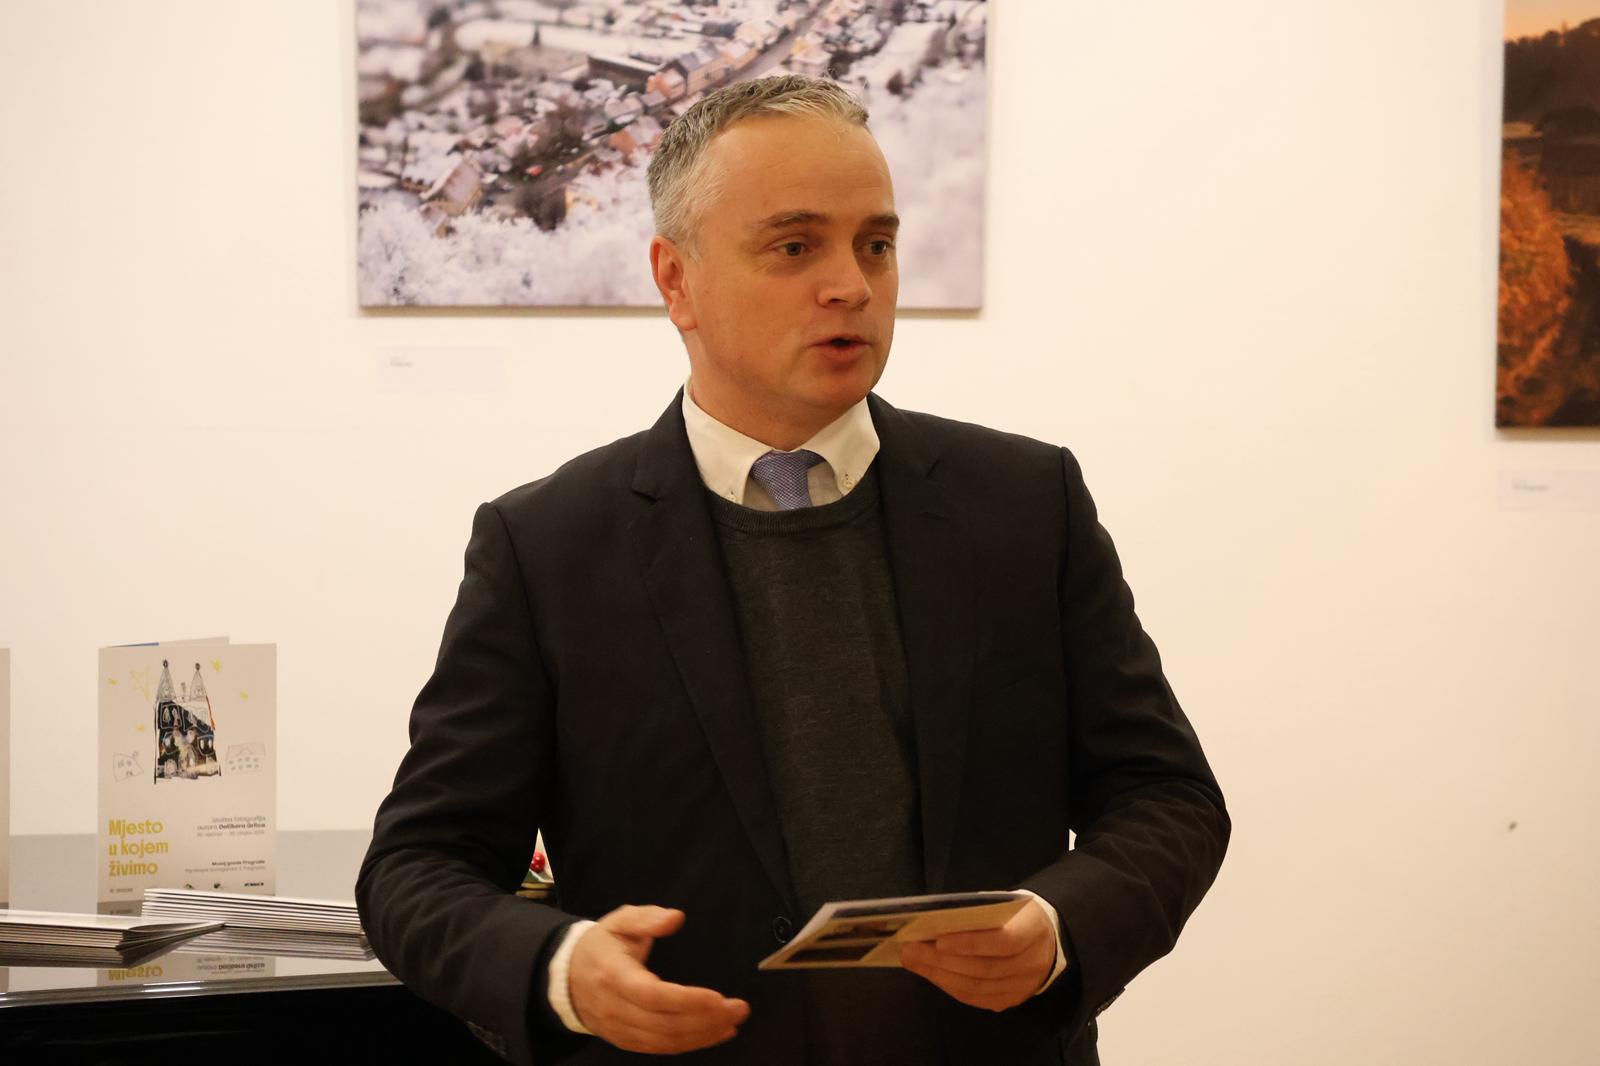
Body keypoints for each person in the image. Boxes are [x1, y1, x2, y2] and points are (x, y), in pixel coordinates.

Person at [356, 75, 1229, 1066]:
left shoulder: (1026, 502)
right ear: (675, 280)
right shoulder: (547, 544)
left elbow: (1166, 795)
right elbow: (418, 866)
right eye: (794, 246)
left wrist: (1060, 923)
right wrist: (559, 969)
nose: (851, 284)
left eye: (876, 244)